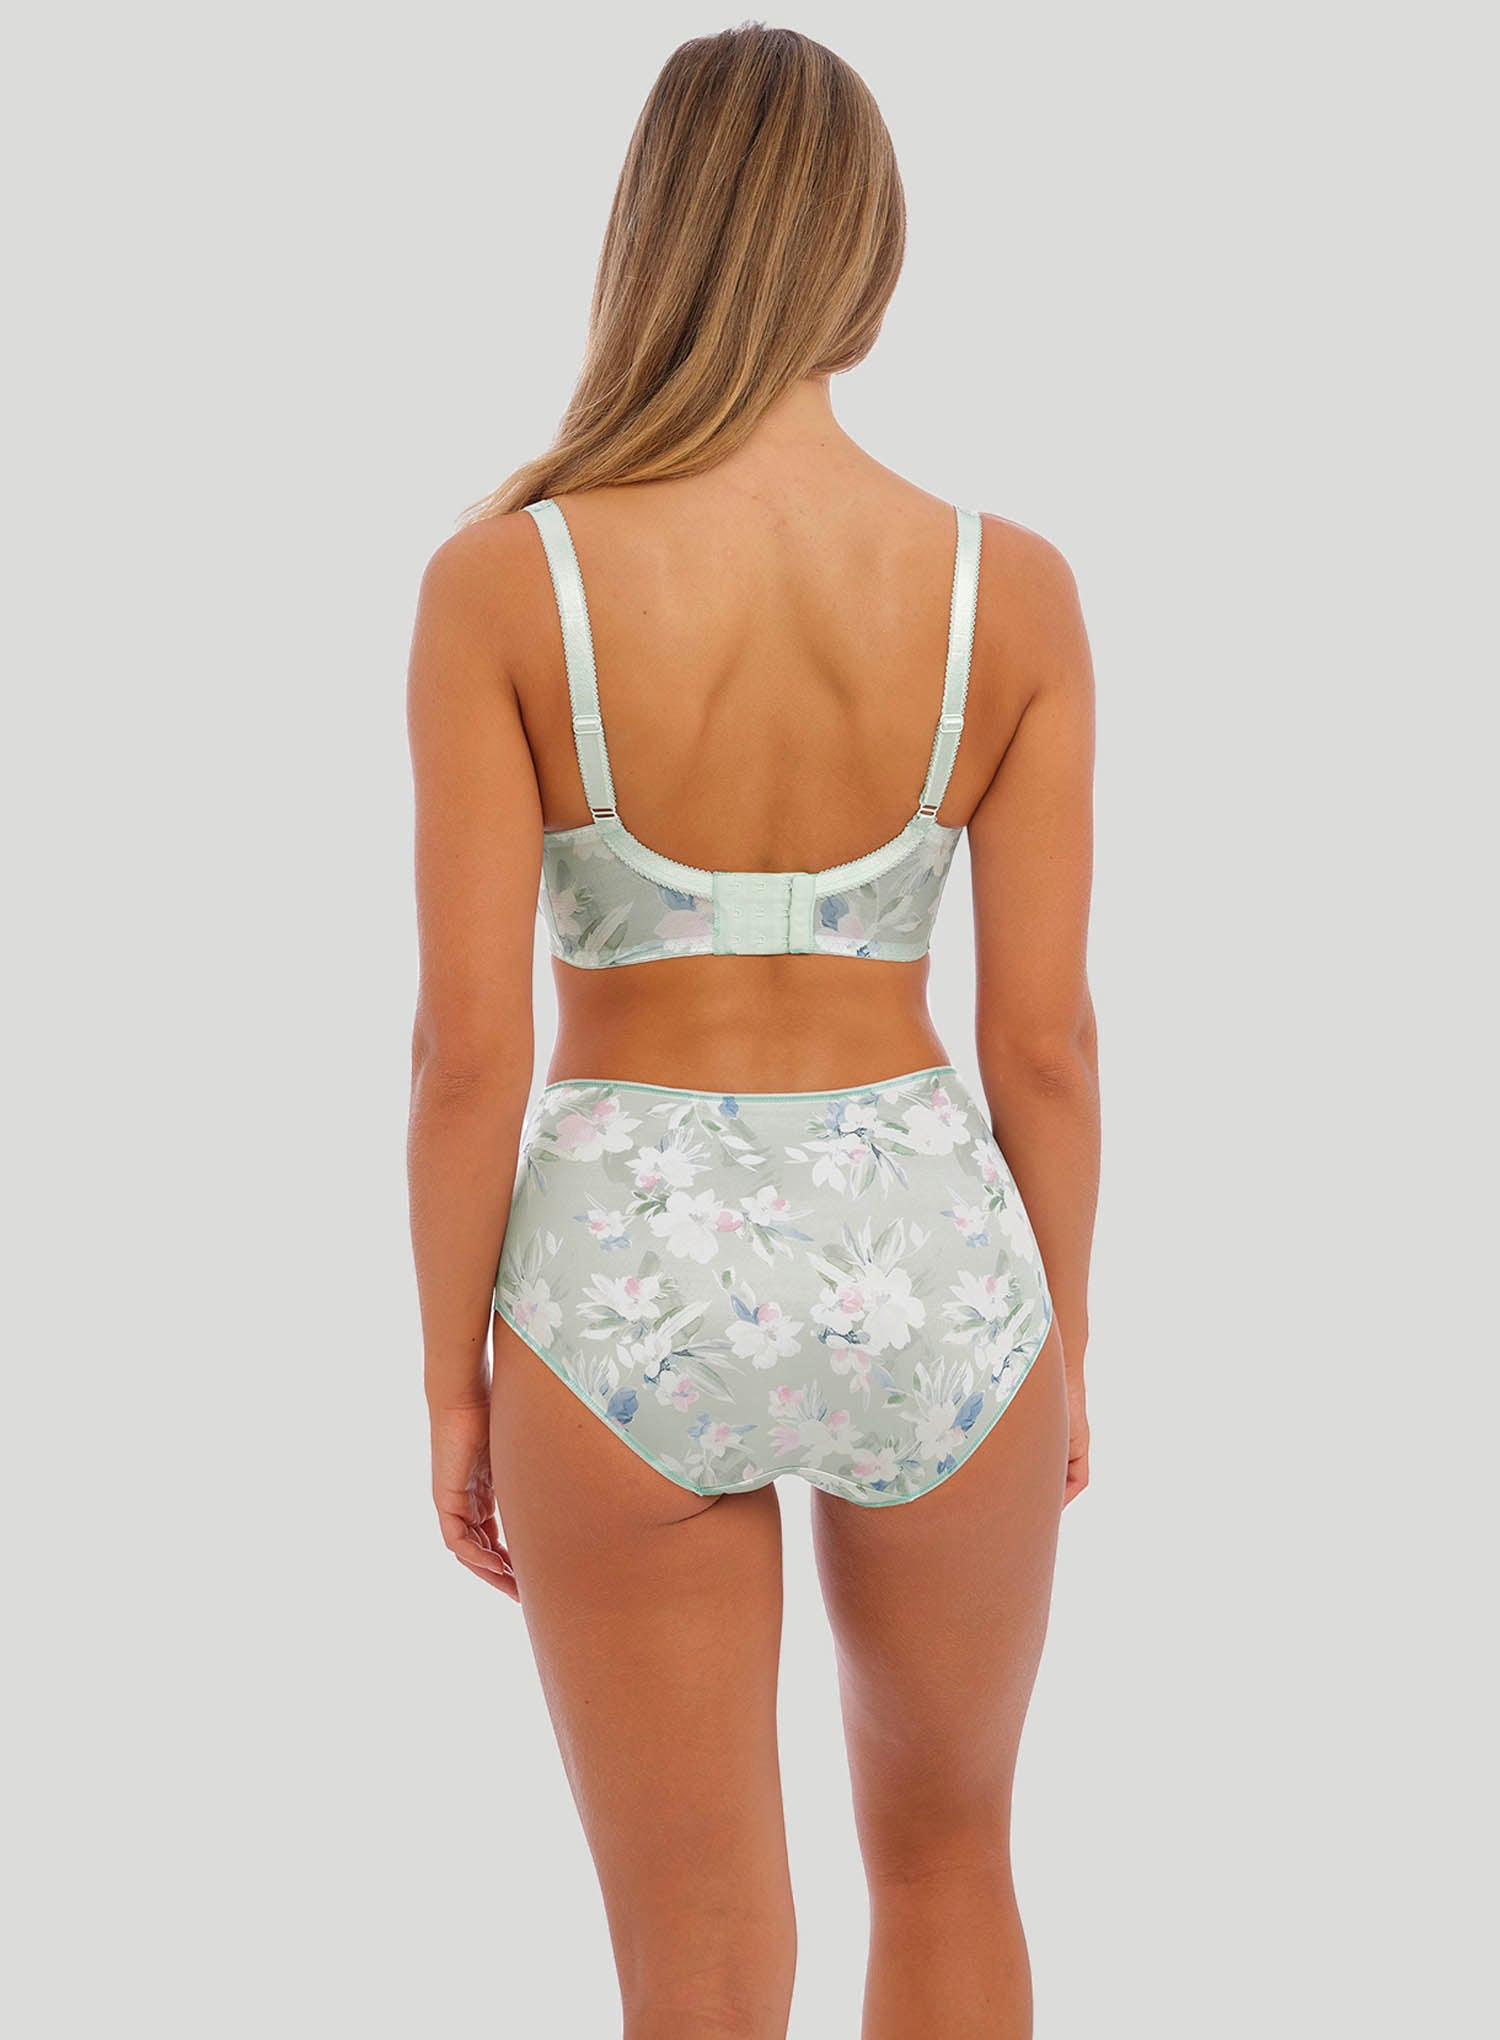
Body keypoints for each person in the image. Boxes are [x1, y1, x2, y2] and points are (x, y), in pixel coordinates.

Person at [407, 25, 1099, 2039]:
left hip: (622, 1272)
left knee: (697, 1958)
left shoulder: (504, 581)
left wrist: (451, 1386)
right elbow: (1045, 1042)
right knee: (951, 1861)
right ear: (866, 246)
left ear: (651, 237)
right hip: (932, 1260)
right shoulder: (1007, 590)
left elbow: (466, 1051)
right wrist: (1061, 1335)